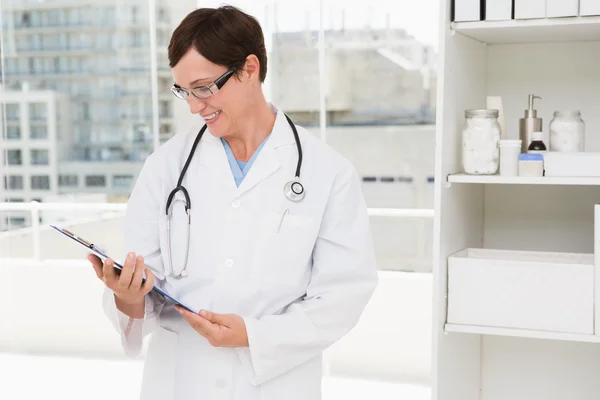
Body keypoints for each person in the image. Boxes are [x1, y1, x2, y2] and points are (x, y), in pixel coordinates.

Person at [88, 5, 378, 400]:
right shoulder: (165, 167)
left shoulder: (328, 172)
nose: (193, 106)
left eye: (204, 87)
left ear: (249, 69)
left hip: (275, 382)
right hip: (179, 381)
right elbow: (144, 285)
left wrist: (254, 336)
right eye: (184, 91)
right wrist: (127, 294)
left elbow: (343, 296)